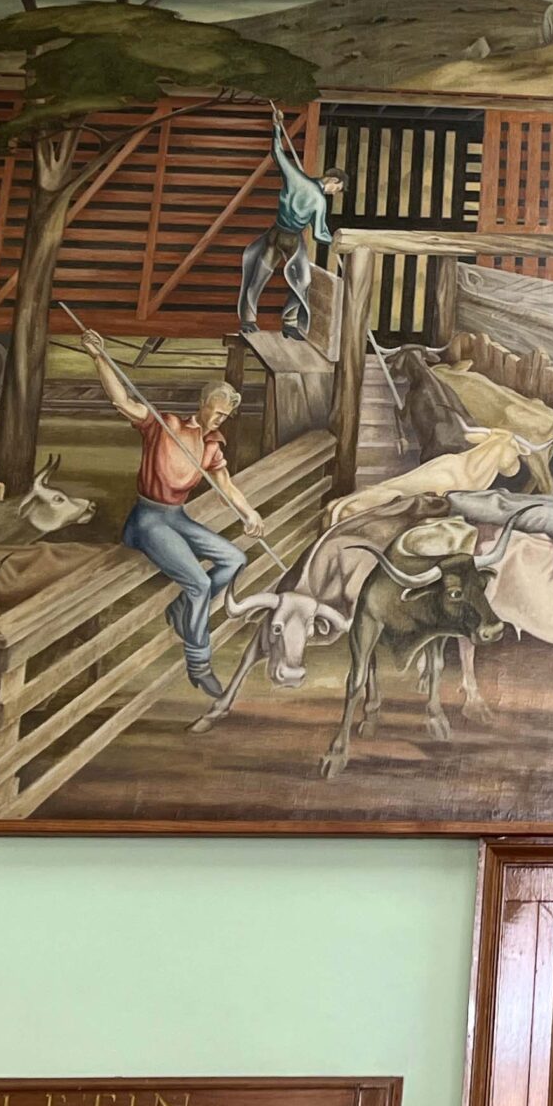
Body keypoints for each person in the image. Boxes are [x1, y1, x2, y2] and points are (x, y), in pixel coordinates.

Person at [83, 329, 265, 697]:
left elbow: (226, 485)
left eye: (227, 415)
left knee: (234, 558)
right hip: (148, 519)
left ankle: (182, 608)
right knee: (199, 584)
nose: (221, 419)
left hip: (177, 517)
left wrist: (249, 514)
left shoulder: (211, 444)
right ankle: (199, 664)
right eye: (218, 411)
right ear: (203, 404)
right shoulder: (164, 425)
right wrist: (99, 357)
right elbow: (121, 401)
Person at [237, 108, 345, 340]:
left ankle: (257, 321)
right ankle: (283, 321)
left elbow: (277, 152)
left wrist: (276, 127)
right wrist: (338, 240)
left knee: (260, 277)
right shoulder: (318, 200)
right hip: (291, 238)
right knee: (300, 280)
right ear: (334, 180)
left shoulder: (297, 179)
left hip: (276, 234)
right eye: (339, 189)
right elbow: (319, 234)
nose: (336, 193)